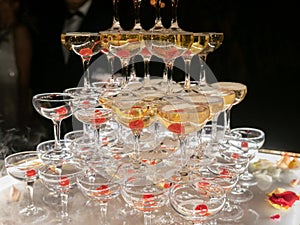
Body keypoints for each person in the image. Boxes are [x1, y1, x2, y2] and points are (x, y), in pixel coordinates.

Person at [0, 0, 33, 129]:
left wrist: (22, 115)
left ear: (15, 4)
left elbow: (24, 77)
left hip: (11, 97)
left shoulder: (20, 31)